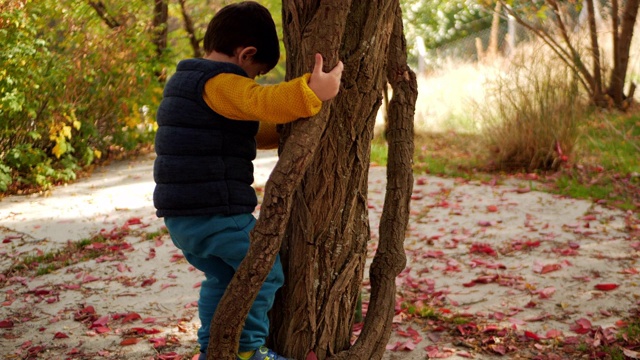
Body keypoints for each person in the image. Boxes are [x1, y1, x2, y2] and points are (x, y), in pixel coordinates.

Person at [152, 2, 343, 360]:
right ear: (246, 54)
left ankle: (215, 350)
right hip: (215, 213)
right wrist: (311, 92)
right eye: (255, 73)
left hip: (183, 219)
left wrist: (288, 129)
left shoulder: (187, 83)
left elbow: (248, 128)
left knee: (224, 280)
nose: (252, 82)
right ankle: (246, 350)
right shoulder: (220, 82)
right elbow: (260, 102)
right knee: (265, 272)